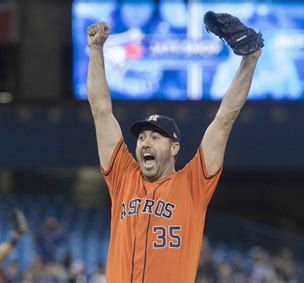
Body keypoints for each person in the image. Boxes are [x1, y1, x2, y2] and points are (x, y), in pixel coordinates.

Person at [86, 16, 262, 282]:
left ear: (174, 148)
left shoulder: (193, 184)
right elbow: (101, 111)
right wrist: (96, 50)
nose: (145, 142)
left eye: (156, 138)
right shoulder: (123, 176)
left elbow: (224, 119)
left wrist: (250, 61)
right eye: (142, 137)